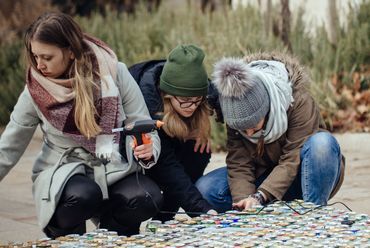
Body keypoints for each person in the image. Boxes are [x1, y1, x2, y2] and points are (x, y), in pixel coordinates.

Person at [0, 12, 163, 238]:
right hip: (65, 171)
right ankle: (65, 240)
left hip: (112, 165)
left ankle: (111, 239)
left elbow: (142, 124)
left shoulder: (114, 72)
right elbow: (9, 145)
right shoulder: (36, 90)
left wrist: (147, 150)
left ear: (71, 52)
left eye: (47, 57)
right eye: (35, 56)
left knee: (146, 197)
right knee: (83, 195)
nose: (39, 65)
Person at [198, 52, 345, 211]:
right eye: (242, 129)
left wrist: (260, 196)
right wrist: (246, 203)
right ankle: (268, 213)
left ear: (266, 109)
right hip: (264, 176)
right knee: (205, 189)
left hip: (305, 176)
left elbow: (292, 158)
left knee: (322, 144)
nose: (248, 133)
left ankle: (312, 212)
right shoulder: (234, 109)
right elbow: (239, 163)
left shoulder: (298, 101)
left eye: (254, 126)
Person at [128, 44, 221, 221]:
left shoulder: (202, 92)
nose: (192, 107)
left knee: (199, 150)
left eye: (197, 101)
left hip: (172, 132)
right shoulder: (148, 104)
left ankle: (164, 218)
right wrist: (202, 209)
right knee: (152, 190)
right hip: (138, 158)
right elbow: (167, 166)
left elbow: (223, 99)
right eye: (186, 101)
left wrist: (202, 128)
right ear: (168, 95)